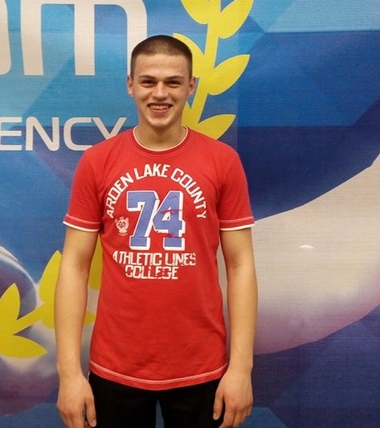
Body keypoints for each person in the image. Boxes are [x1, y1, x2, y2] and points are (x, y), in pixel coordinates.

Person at [54, 35, 258, 428]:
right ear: (130, 85)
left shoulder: (223, 161)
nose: (160, 93)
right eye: (148, 81)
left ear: (191, 86)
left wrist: (241, 369)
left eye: (173, 82)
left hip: (203, 368)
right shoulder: (97, 162)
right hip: (115, 368)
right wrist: (68, 374)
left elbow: (241, 265)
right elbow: (74, 266)